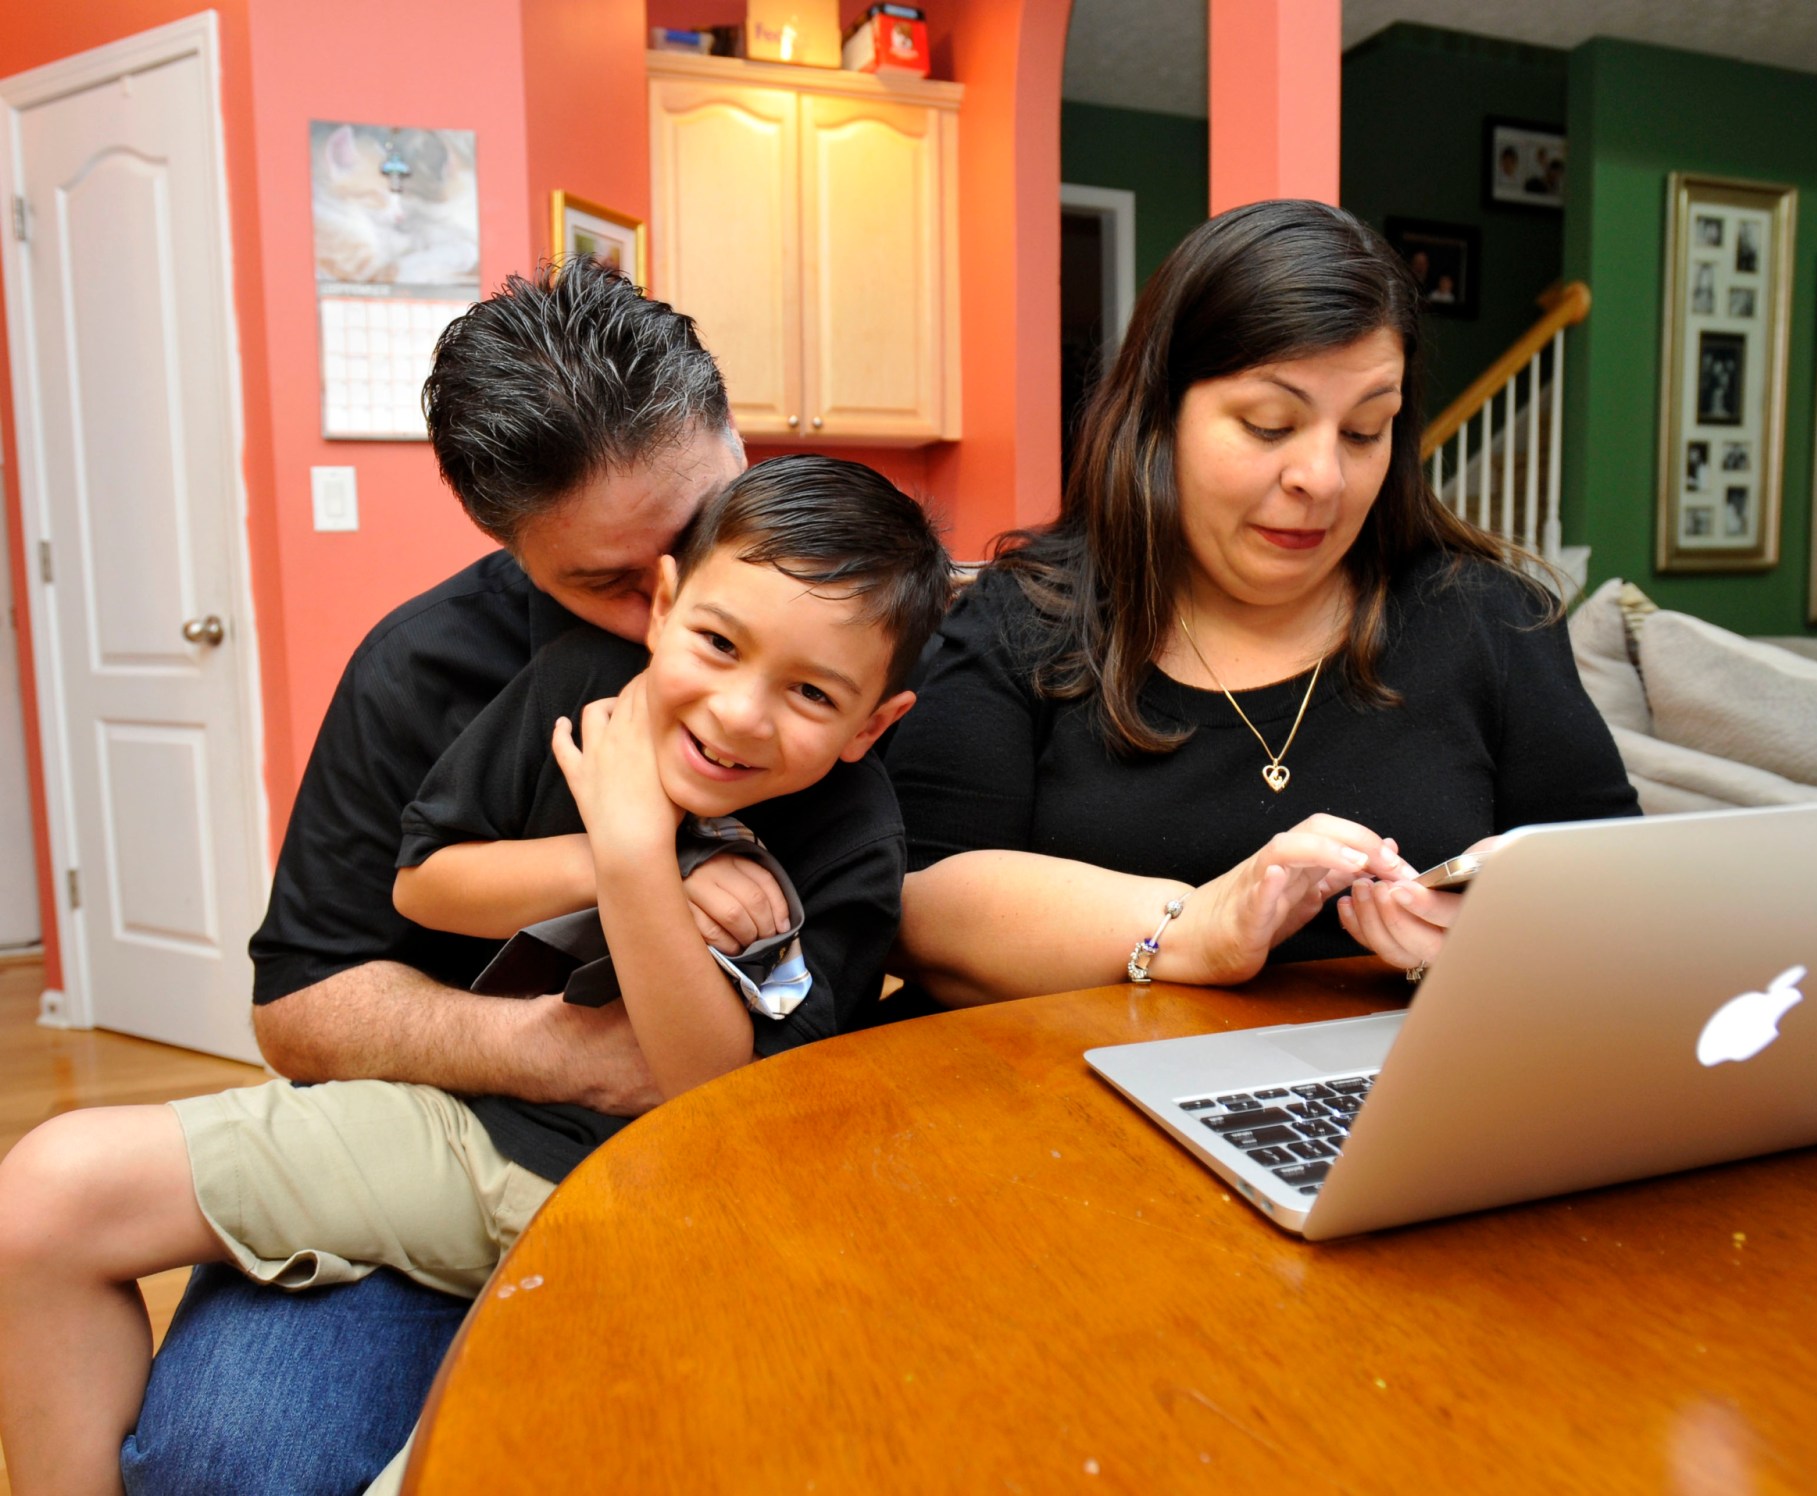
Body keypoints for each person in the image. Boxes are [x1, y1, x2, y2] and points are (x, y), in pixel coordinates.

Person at [0, 456, 957, 1494]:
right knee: (45, 1192)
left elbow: (705, 1094)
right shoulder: (569, 689)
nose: (735, 712)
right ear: (666, 601)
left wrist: (642, 856)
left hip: (653, 1209)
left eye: (810, 691)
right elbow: (424, 883)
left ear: (874, 723)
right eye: (718, 643)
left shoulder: (859, 845)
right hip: (464, 1127)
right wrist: (625, 852)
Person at [133, 257, 748, 1495]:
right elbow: (298, 1004)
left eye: (691, 538)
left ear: (737, 431)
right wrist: (562, 1051)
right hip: (445, 1157)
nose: (664, 612)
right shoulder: (417, 674)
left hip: (736, 1169)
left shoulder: (867, 611)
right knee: (228, 1465)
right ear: (505, 544)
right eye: (604, 582)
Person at [886, 200, 1638, 1007]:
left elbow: (1628, 900)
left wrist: (1511, 943)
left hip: (1398, 1110)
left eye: (1364, 431)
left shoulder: (1491, 619)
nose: (1324, 478)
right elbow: (918, 909)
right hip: (1071, 1109)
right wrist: (1199, 928)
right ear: (1160, 418)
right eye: (1270, 424)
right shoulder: (1023, 621)